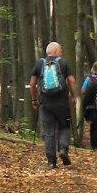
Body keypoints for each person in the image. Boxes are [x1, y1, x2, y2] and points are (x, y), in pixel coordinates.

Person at [29, 41, 76, 171]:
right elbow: (72, 81)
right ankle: (63, 149)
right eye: (60, 50)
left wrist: (34, 99)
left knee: (48, 132)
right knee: (64, 126)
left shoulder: (39, 64)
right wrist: (73, 96)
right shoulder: (64, 63)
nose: (61, 52)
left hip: (45, 103)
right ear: (56, 51)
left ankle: (51, 161)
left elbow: (32, 84)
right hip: (62, 103)